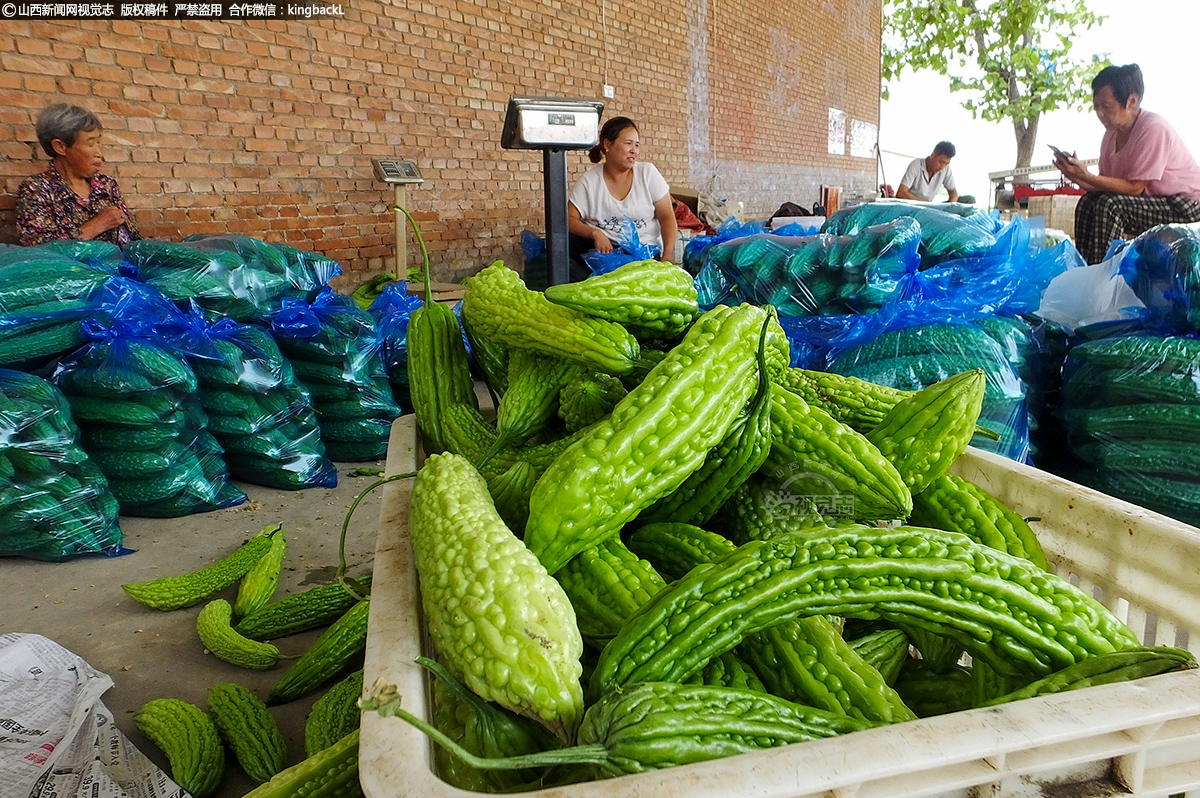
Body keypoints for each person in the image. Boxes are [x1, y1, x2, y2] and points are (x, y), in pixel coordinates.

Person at [1053, 63, 1200, 265]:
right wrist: (1076, 175)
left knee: (1110, 206)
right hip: (1153, 202)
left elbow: (1135, 187)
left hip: (1185, 204)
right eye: (1096, 106)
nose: (1100, 113)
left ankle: (1104, 276)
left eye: (1106, 106)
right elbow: (1104, 187)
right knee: (1089, 203)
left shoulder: (1153, 128)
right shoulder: (1110, 135)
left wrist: (1087, 176)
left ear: (1131, 100)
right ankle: (1084, 271)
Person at [16, 103, 140, 248]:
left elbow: (134, 239)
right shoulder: (36, 190)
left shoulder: (106, 185)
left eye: (98, 143)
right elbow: (39, 251)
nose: (99, 153)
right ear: (60, 147)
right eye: (90, 143)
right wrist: (96, 225)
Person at [568, 116, 678, 264]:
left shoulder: (647, 174)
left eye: (637, 145)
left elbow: (667, 217)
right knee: (563, 241)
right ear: (607, 144)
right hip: (604, 253)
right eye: (628, 143)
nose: (634, 151)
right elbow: (568, 219)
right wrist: (594, 233)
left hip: (644, 254)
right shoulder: (590, 181)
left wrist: (668, 254)